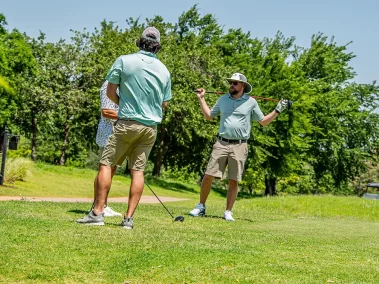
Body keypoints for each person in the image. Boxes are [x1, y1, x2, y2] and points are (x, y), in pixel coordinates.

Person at [77, 27, 172, 229]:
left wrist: (126, 105)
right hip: (150, 129)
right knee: (138, 172)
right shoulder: (164, 70)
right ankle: (128, 220)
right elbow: (164, 104)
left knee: (106, 164)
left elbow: (111, 91)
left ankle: (97, 213)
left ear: (140, 42)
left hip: (127, 123)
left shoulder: (124, 60)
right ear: (158, 46)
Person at [190, 73, 291, 221]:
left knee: (233, 180)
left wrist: (277, 110)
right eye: (231, 82)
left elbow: (263, 121)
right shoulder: (223, 99)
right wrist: (201, 99)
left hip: (240, 145)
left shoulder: (251, 102)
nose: (231, 85)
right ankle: (201, 206)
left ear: (243, 86)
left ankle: (228, 211)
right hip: (221, 143)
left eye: (235, 83)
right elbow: (209, 116)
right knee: (208, 176)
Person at [91, 80, 122, 217]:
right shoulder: (108, 85)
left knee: (111, 169)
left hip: (117, 134)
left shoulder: (122, 86)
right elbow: (106, 111)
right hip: (107, 134)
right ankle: (98, 206)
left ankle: (103, 204)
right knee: (104, 169)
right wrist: (130, 117)